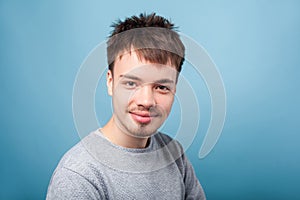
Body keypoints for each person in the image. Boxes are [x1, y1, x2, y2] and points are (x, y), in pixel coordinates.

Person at [46, 13, 206, 200]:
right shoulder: (79, 176)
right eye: (131, 83)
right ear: (110, 82)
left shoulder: (174, 153)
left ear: (174, 89)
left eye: (162, 87)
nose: (146, 101)